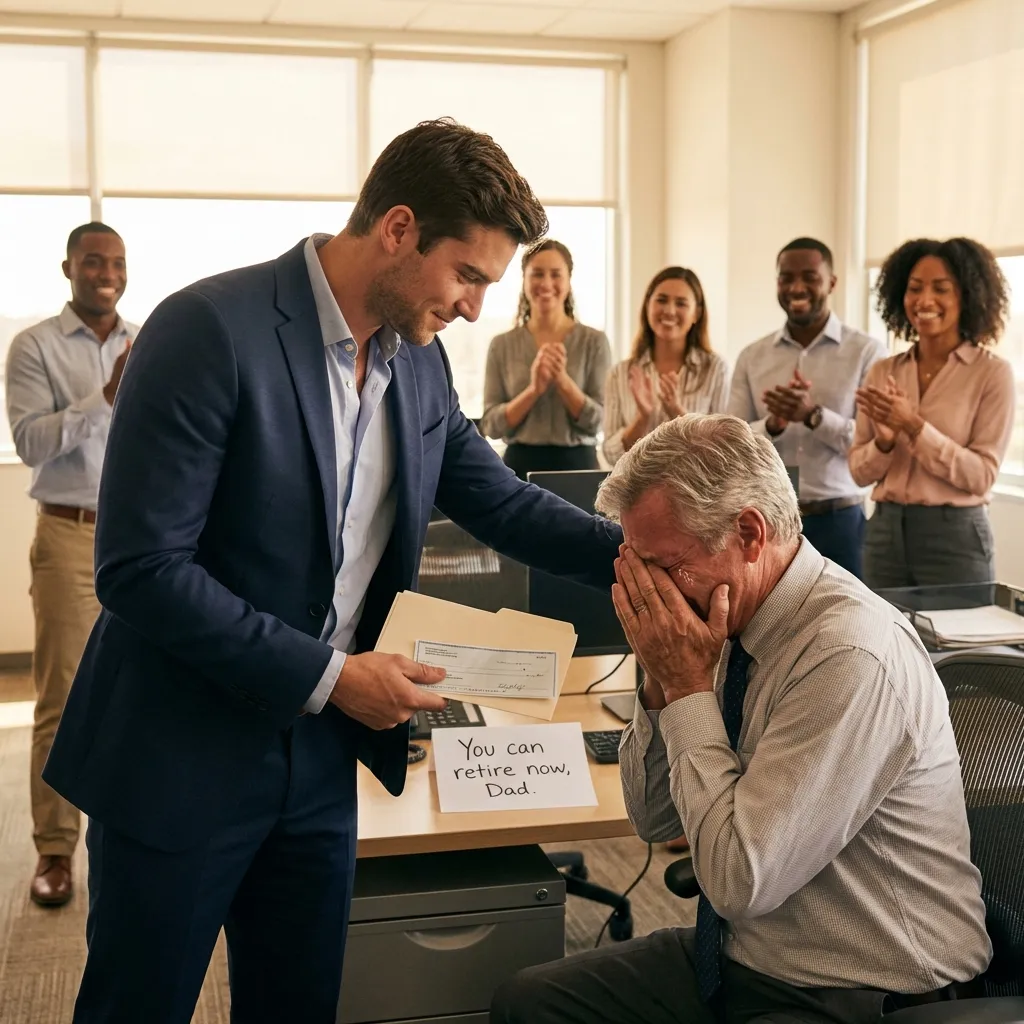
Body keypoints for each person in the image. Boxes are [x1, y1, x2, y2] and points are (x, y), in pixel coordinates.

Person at [42, 119, 622, 1024]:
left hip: (318, 765)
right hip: (180, 750)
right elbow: (142, 568)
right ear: (397, 229)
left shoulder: (418, 366)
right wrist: (331, 677)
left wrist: (653, 556)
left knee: (298, 1004)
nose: (475, 307)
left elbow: (501, 501)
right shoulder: (207, 329)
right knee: (136, 1004)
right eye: (467, 275)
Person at [492, 413, 991, 1024]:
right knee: (529, 1005)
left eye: (666, 567)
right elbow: (653, 818)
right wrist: (657, 678)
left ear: (750, 534)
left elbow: (736, 882)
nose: (654, 590)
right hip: (750, 957)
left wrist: (685, 685)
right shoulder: (725, 616)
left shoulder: (848, 655)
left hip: (857, 990)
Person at [4, 222, 135, 909]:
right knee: (63, 698)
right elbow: (29, 442)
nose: (106, 272)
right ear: (68, 268)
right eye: (93, 261)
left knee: (140, 696)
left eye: (116, 262)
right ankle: (56, 851)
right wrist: (103, 398)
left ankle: (134, 836)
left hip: (144, 542)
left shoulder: (148, 341)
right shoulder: (35, 347)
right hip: (69, 538)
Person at [851, 237, 1014, 589]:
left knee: (959, 644)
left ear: (967, 296)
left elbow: (981, 476)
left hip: (955, 537)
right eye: (914, 288)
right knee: (883, 642)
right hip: (885, 534)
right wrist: (884, 441)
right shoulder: (883, 371)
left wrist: (913, 425)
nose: (925, 301)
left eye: (941, 288)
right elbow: (858, 473)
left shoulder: (992, 374)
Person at [728, 238, 886, 578]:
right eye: (786, 277)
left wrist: (815, 417)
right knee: (770, 628)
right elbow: (731, 437)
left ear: (831, 282)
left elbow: (872, 445)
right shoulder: (752, 357)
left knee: (848, 627)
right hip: (769, 525)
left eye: (809, 277)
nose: (796, 287)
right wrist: (772, 425)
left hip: (841, 522)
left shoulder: (867, 352)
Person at [479, 238, 611, 480]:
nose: (546, 283)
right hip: (518, 468)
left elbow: (600, 422)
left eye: (556, 274)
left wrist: (563, 382)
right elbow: (491, 426)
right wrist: (534, 390)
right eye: (537, 274)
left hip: (579, 468)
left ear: (569, 281)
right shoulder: (502, 345)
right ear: (524, 280)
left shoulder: (594, 342)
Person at [602, 266, 729, 467]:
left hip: (697, 491)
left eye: (681, 303)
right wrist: (643, 417)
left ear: (696, 313)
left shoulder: (715, 369)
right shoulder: (620, 374)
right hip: (637, 490)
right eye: (661, 300)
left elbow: (723, 449)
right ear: (647, 306)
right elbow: (611, 454)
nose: (669, 311)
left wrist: (676, 411)